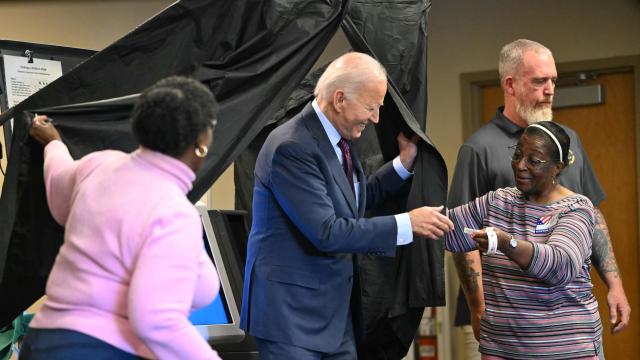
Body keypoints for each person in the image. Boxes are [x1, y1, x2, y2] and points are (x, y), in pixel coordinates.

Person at [239, 52, 454, 359]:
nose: (376, 118)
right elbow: (327, 230)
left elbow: (350, 200)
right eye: (371, 107)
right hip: (292, 319)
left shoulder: (336, 139)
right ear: (339, 99)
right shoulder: (291, 146)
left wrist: (402, 166)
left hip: (335, 319)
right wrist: (406, 223)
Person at [449, 39, 630, 359]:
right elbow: (462, 238)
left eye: (553, 81)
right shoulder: (479, 148)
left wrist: (614, 284)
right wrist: (479, 307)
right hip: (505, 325)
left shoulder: (567, 140)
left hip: (565, 325)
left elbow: (593, 218)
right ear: (510, 84)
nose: (549, 89)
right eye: (539, 81)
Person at [20, 76, 222, 360]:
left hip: (43, 340)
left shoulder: (99, 164)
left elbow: (57, 184)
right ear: (201, 141)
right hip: (100, 351)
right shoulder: (173, 212)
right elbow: (156, 321)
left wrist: (53, 142)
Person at [446, 121, 602, 359]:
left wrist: (507, 243)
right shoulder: (497, 201)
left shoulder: (575, 209)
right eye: (518, 154)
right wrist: (407, 222)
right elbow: (449, 232)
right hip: (501, 346)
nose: (520, 165)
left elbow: (559, 266)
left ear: (557, 168)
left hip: (565, 348)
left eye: (534, 160)